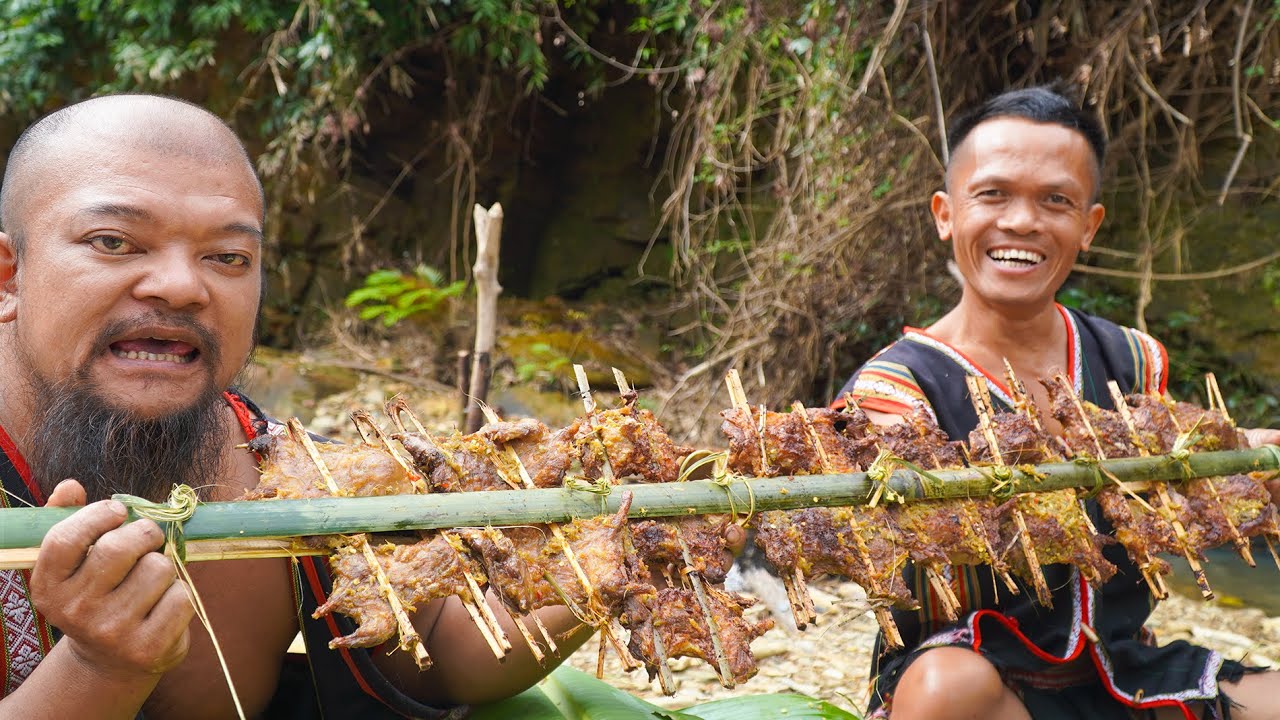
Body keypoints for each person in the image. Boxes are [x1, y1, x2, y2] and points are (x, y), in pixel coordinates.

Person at [0, 94, 605, 719]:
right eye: (115, 242)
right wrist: (101, 668)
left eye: (228, 257)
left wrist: (614, 557)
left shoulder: (279, 472)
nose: (182, 285)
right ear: (8, 276)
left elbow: (435, 649)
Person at [833, 84, 1280, 720]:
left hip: (1121, 669)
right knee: (945, 687)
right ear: (945, 213)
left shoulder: (1132, 359)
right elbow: (902, 543)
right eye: (992, 194)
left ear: (1089, 226)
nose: (1021, 221)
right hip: (980, 683)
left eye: (1056, 200)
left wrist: (1241, 468)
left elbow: (1167, 504)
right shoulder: (894, 392)